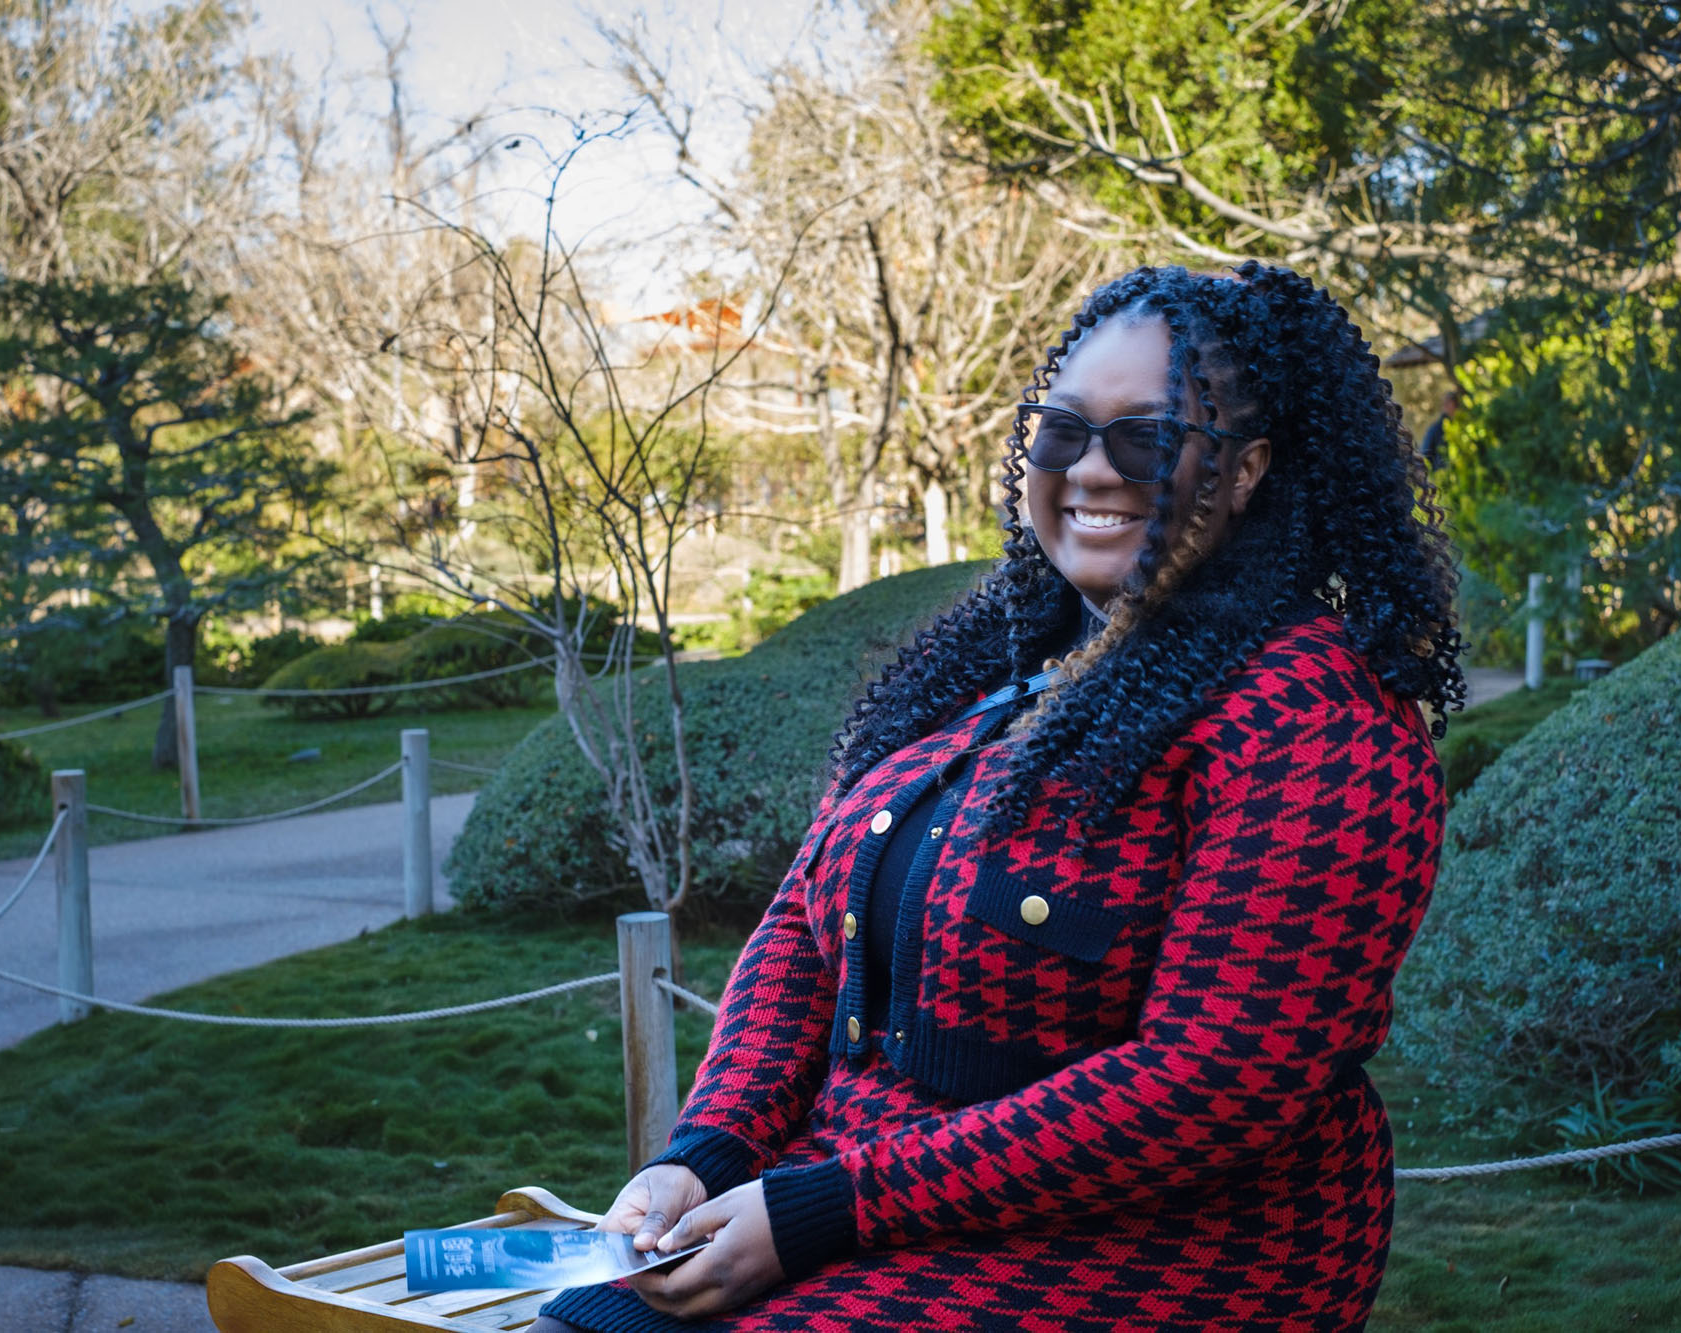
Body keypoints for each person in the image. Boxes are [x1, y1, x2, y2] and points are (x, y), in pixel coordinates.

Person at [533, 261, 1464, 1332]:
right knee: (578, 1324)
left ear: (1244, 470)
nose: (1092, 471)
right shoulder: (994, 661)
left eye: (1147, 439)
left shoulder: (1310, 719)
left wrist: (825, 1208)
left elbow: (1210, 1082)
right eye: (1062, 430)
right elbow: (801, 927)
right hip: (863, 1195)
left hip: (1166, 1246)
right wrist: (708, 1153)